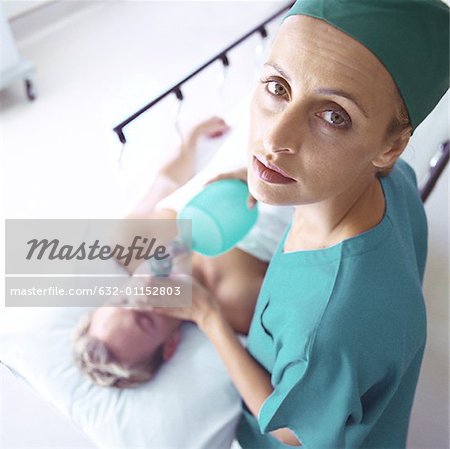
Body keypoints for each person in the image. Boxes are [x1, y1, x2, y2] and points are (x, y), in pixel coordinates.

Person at [148, 1, 449, 447]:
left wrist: (207, 316)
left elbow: (292, 432)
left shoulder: (332, 325)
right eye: (277, 86)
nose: (274, 140)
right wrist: (273, 183)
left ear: (390, 146)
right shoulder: (393, 182)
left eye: (333, 116)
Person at [73, 116, 294, 388]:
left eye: (121, 299)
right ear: (171, 345)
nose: (143, 292)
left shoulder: (132, 242)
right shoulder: (238, 303)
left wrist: (191, 140)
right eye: (144, 318)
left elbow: (167, 181)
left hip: (259, 125)